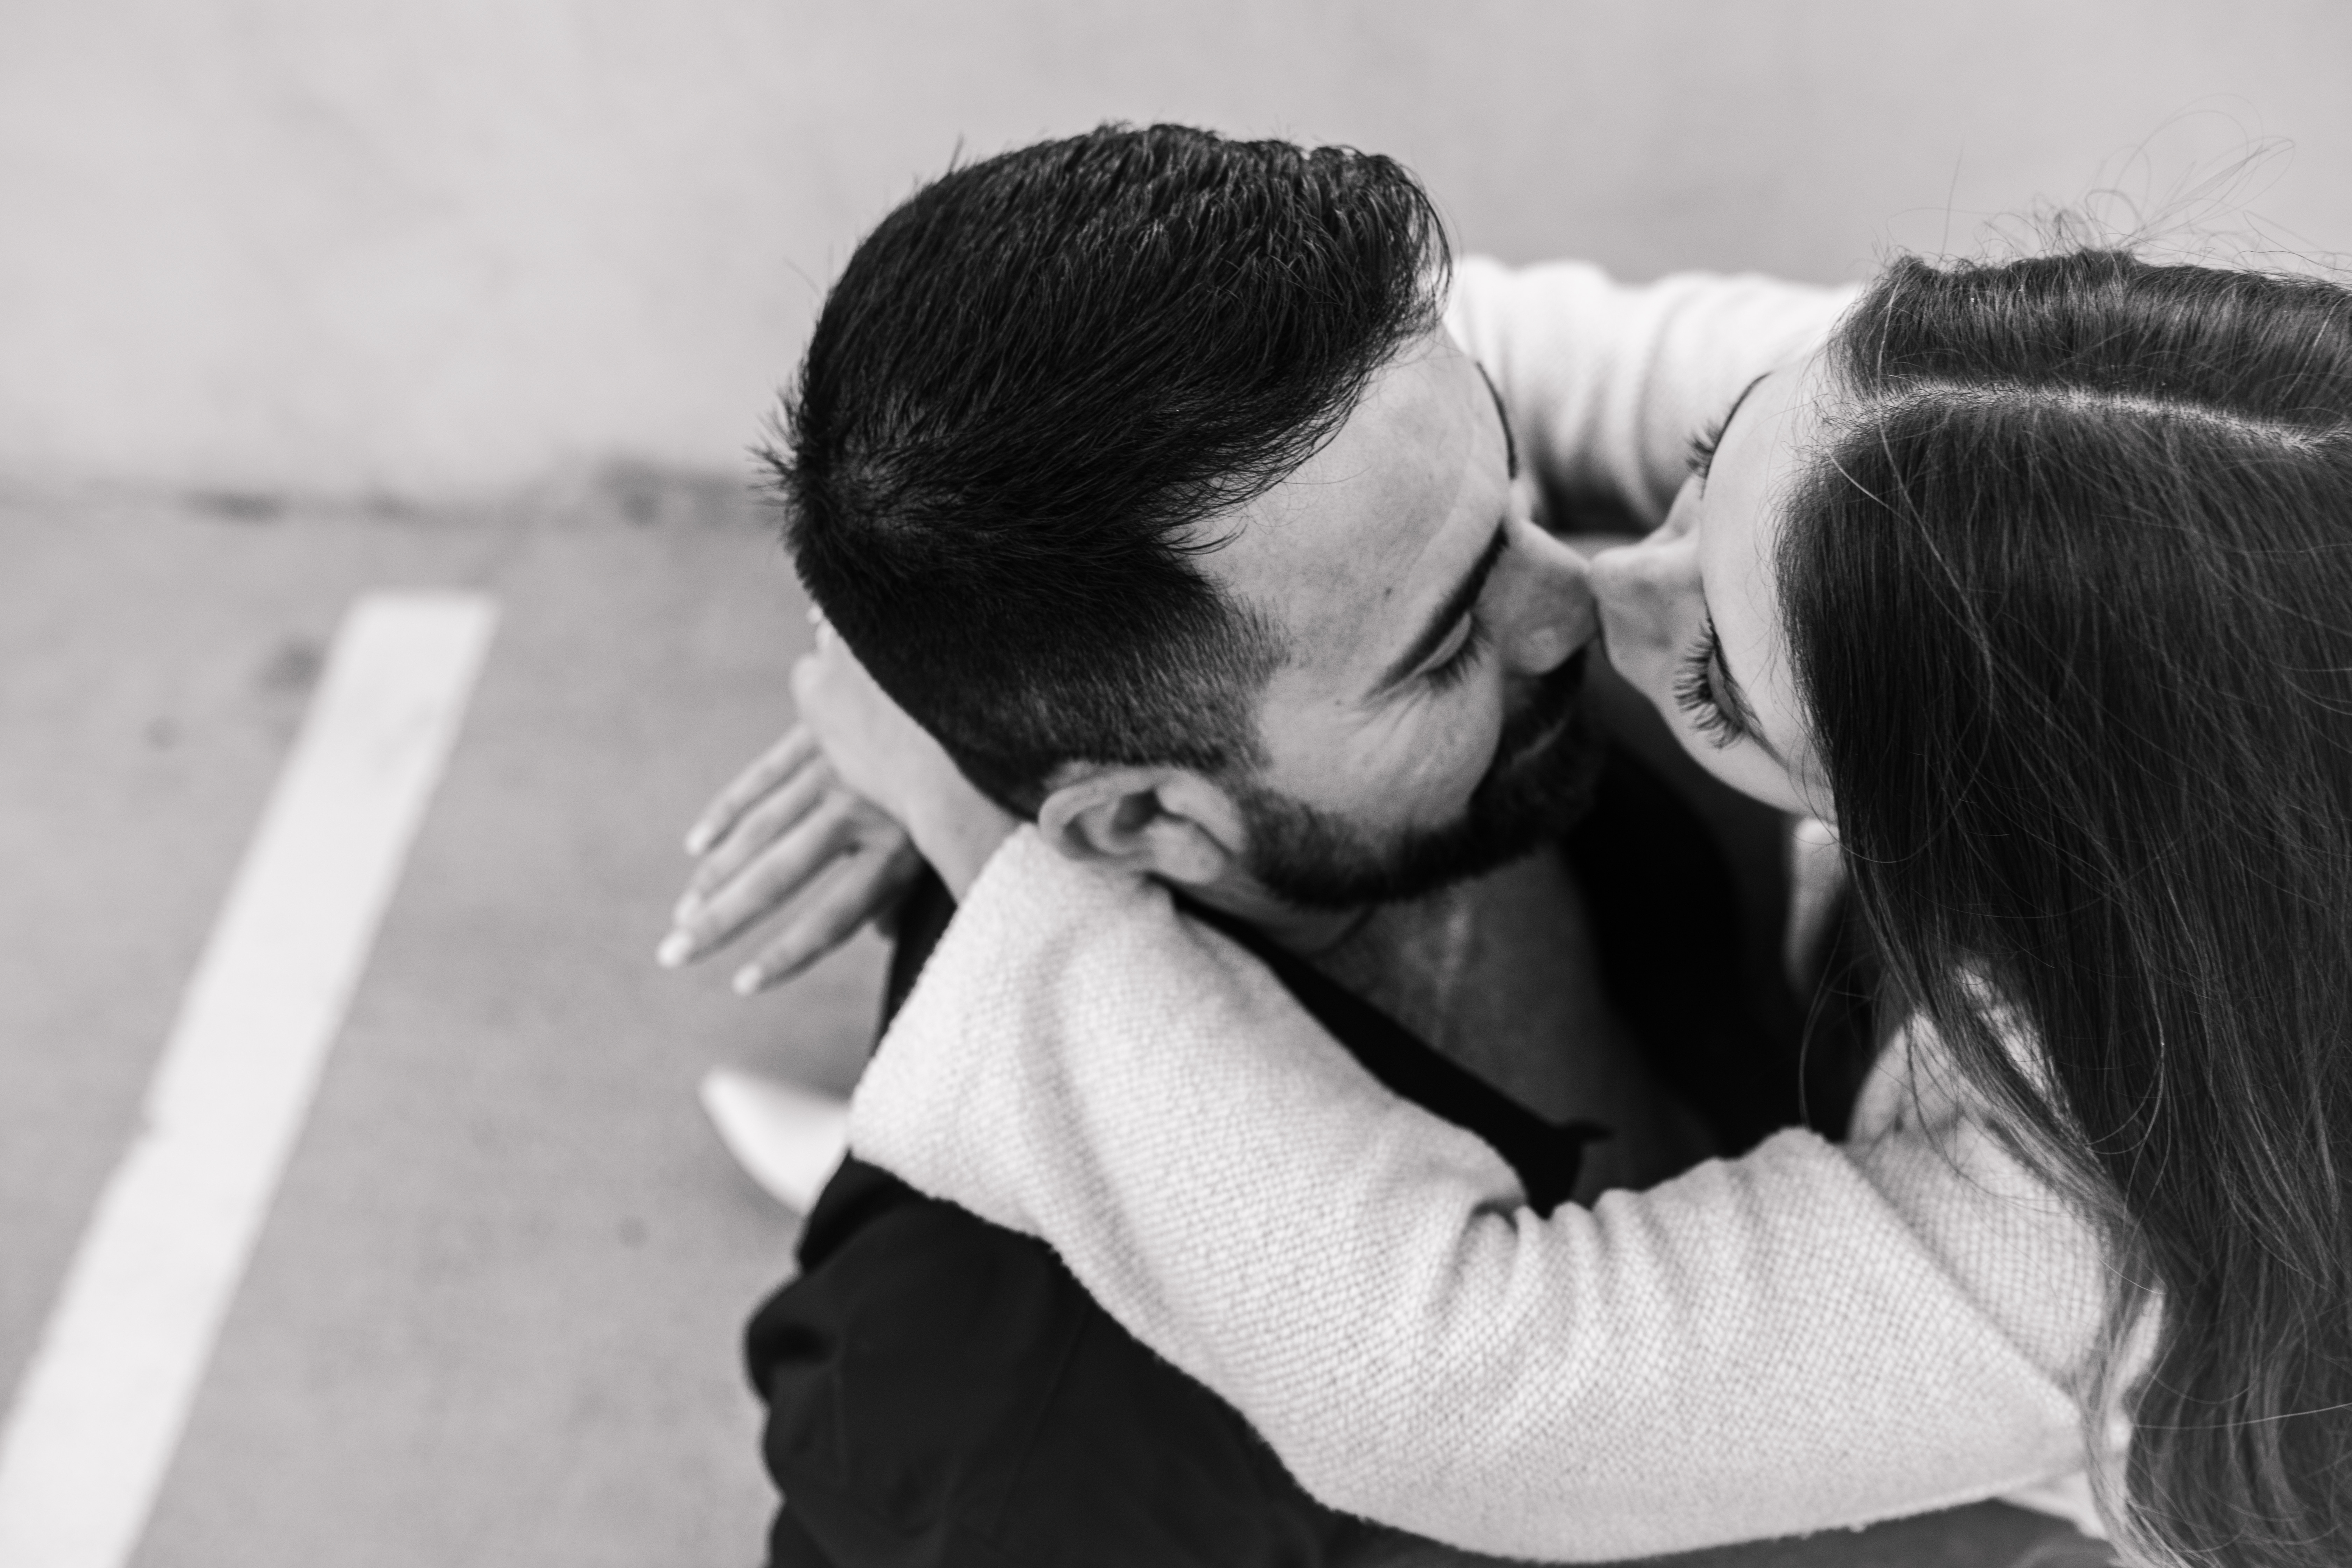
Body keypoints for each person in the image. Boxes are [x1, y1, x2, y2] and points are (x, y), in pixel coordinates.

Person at [783, 243, 2352, 1568]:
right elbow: (1477, 349)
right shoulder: (2106, 451)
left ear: (2009, 861)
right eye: (1701, 472)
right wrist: (957, 578)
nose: (1603, 592)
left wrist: (967, 815)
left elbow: (1471, 1384)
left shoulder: (2112, 1201)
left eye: (1721, 681)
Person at [665, 124, 1960, 1566]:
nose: (1584, 601)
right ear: (1147, 816)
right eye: (1440, 643)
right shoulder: (1022, 1454)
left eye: (1516, 490)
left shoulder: (1419, 641)